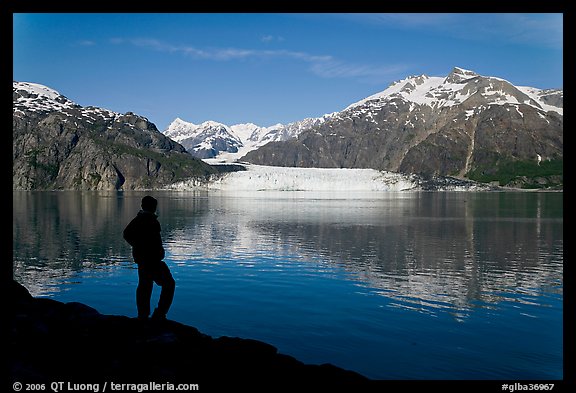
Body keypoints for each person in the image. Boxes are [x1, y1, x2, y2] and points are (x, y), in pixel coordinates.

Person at [123, 195, 175, 321]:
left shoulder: (140, 219)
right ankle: (159, 314)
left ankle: (143, 315)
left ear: (142, 206)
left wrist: (138, 247)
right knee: (168, 284)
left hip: (144, 259)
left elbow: (127, 234)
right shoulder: (148, 220)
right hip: (152, 260)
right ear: (153, 207)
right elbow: (129, 235)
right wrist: (144, 247)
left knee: (145, 286)